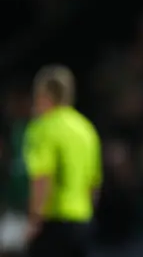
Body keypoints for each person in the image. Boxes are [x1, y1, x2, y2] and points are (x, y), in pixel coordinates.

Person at [23, 65, 102, 257]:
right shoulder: (86, 129)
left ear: (44, 94)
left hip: (53, 223)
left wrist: (34, 221)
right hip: (82, 222)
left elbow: (42, 177)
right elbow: (94, 184)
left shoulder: (43, 128)